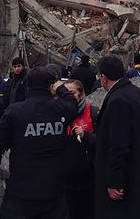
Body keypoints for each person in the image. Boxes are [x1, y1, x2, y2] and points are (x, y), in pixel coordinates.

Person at [0, 66, 78, 219]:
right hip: (53, 189)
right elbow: (73, 102)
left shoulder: (15, 112)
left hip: (21, 189)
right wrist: (61, 88)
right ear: (51, 87)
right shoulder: (61, 109)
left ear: (28, 85)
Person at [93, 55, 140, 219]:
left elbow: (119, 145)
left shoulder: (118, 100)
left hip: (129, 178)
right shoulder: (138, 94)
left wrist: (114, 182)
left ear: (103, 77)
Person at [63, 80, 98, 219]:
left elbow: (104, 140)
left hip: (90, 178)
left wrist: (85, 135)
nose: (67, 98)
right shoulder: (59, 115)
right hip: (66, 180)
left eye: (71, 93)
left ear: (81, 95)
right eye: (64, 94)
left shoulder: (93, 112)